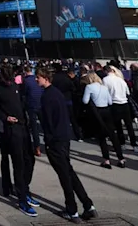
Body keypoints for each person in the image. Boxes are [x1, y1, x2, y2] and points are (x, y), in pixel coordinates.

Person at [37, 68, 98, 223]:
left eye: (38, 77)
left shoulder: (47, 96)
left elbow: (48, 121)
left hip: (55, 140)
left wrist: (48, 140)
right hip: (64, 137)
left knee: (64, 175)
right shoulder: (57, 93)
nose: (36, 80)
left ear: (45, 78)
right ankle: (87, 204)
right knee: (69, 172)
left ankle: (72, 210)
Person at [0, 65, 38, 217]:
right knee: (18, 163)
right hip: (12, 128)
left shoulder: (17, 86)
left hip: (23, 126)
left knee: (29, 159)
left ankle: (24, 188)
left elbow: (22, 103)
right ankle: (22, 199)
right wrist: (5, 117)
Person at [81, 72, 124, 169]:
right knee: (113, 135)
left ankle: (106, 160)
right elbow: (110, 101)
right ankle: (121, 158)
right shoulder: (104, 87)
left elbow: (85, 101)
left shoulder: (89, 87)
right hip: (107, 110)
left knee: (102, 137)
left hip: (97, 111)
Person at [102, 65, 138, 153]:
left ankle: (122, 144)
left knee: (118, 126)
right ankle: (134, 144)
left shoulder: (105, 80)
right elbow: (127, 92)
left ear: (105, 72)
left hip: (114, 103)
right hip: (124, 103)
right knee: (129, 125)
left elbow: (105, 92)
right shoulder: (121, 80)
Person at [22, 67, 45, 156]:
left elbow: (23, 93)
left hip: (31, 105)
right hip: (40, 104)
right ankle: (48, 145)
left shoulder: (26, 81)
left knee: (34, 127)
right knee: (44, 125)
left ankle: (37, 147)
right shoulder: (38, 80)